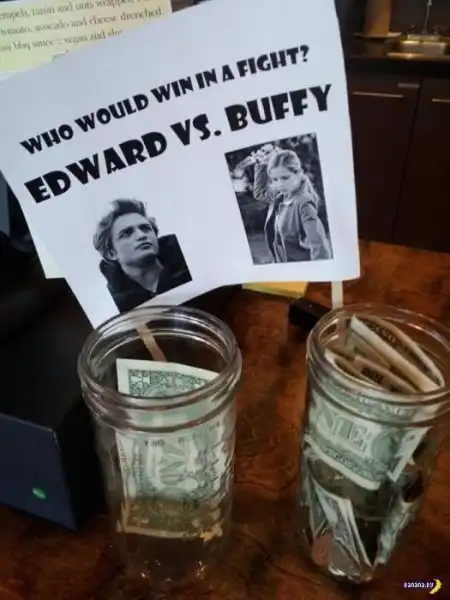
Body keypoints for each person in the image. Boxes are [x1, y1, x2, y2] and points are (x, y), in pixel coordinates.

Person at [93, 199, 191, 313]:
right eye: (127, 233)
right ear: (111, 253)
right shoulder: (113, 304)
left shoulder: (188, 266)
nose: (141, 235)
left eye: (145, 228)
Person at [252, 145, 332, 263]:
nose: (280, 184)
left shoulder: (303, 203)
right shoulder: (280, 196)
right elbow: (260, 193)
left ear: (298, 173)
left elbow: (319, 246)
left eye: (285, 178)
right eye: (275, 179)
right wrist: (262, 164)